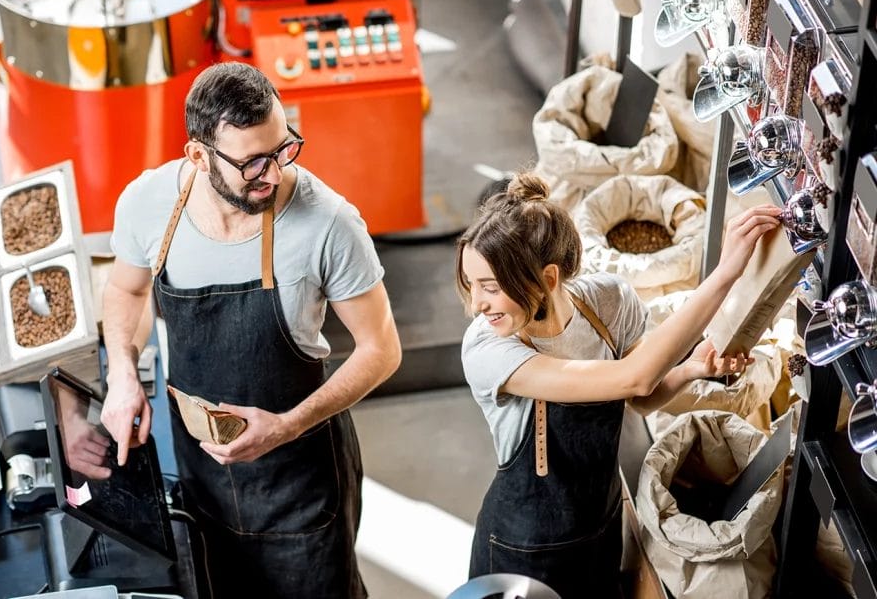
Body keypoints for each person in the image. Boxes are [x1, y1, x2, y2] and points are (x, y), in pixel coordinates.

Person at [100, 62, 401, 598]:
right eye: (253, 162)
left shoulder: (329, 223)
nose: (274, 172)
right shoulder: (147, 204)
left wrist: (286, 425)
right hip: (202, 476)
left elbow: (381, 349)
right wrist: (123, 372)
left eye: (284, 149)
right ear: (198, 155)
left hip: (298, 485)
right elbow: (126, 291)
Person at [457, 171, 781, 598]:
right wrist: (724, 275)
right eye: (470, 285)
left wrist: (689, 370)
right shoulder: (488, 349)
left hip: (602, 524)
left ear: (547, 280)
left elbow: (642, 396)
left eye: (491, 288)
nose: (478, 305)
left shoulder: (607, 302)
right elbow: (635, 375)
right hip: (526, 546)